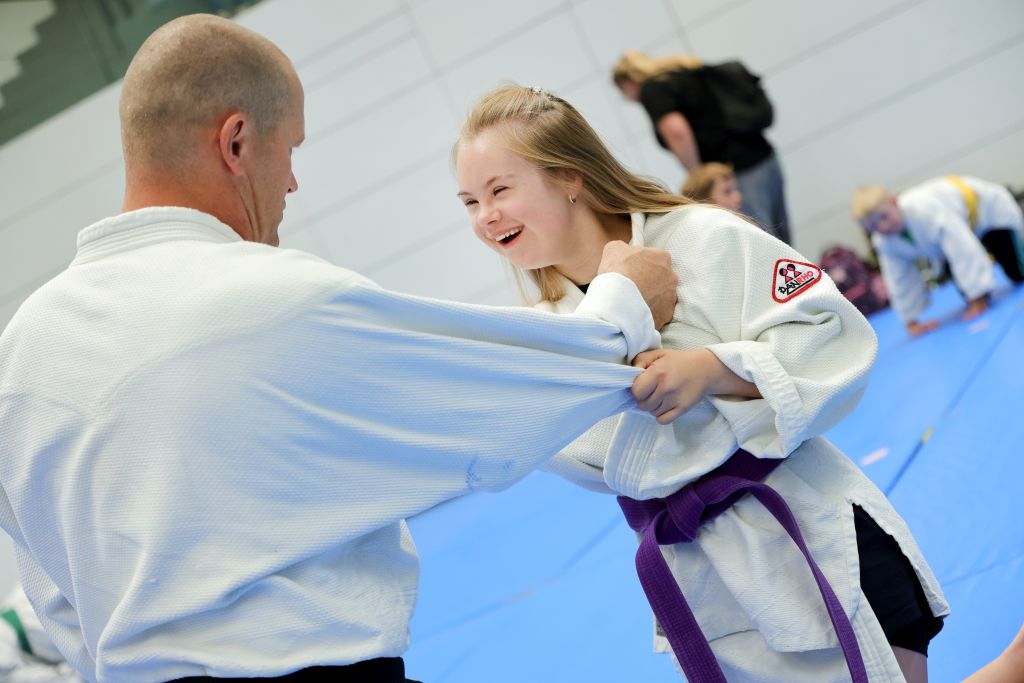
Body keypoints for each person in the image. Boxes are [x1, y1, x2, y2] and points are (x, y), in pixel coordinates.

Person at [0, 15, 682, 683]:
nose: (291, 183)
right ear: (236, 143)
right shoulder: (266, 297)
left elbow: (54, 594)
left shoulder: (24, 348)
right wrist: (622, 306)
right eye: (289, 150)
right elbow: (498, 406)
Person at [453, 85, 948, 683]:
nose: (485, 217)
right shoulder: (548, 331)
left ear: (569, 177)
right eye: (469, 202)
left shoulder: (701, 237)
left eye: (500, 190)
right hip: (710, 579)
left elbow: (833, 336)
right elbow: (560, 448)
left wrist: (713, 369)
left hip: (817, 539)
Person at [612, 50, 792, 244]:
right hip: (764, 157)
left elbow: (677, 132)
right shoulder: (685, 70)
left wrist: (697, 173)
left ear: (627, 82)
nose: (628, 99)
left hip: (737, 172)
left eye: (624, 93)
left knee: (761, 241)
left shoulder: (653, 88)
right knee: (781, 240)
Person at [851, 176, 1024, 337]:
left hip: (989, 213)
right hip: (960, 227)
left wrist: (977, 297)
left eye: (884, 217)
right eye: (872, 226)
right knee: (967, 291)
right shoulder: (883, 241)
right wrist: (911, 321)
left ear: (895, 202)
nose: (882, 227)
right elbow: (898, 277)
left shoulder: (924, 210)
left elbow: (961, 248)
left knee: (1018, 273)